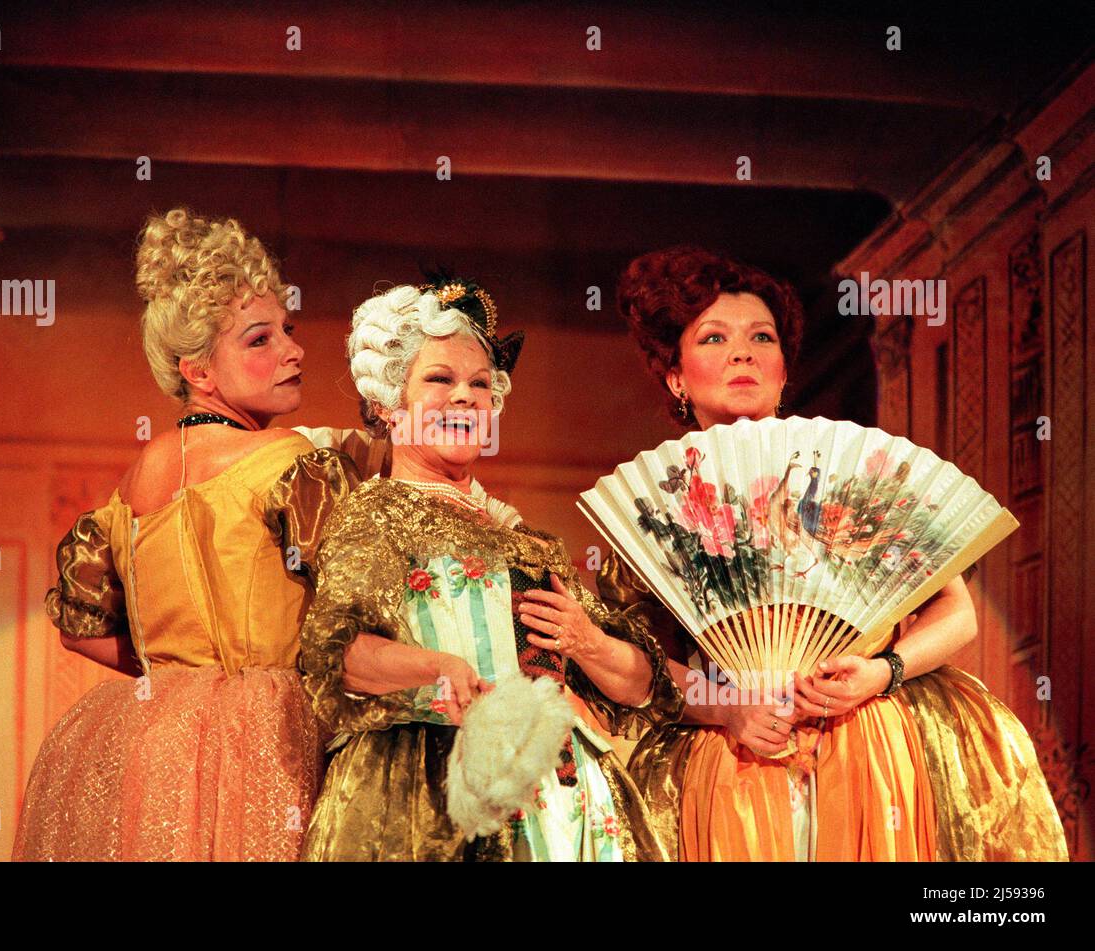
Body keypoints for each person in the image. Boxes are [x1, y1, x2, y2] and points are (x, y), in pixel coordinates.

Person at [597, 245, 1068, 861]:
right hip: (734, 752)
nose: (742, 351)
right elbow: (636, 663)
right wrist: (725, 709)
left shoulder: (853, 478)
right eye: (713, 337)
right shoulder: (652, 510)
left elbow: (958, 615)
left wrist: (882, 671)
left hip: (867, 740)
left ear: (785, 369)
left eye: (761, 337)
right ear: (676, 377)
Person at [13, 209, 383, 861]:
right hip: (266, 742)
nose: (293, 350)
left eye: (287, 331)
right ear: (199, 371)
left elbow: (80, 626)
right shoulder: (289, 459)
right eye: (260, 339)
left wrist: (180, 677)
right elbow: (358, 602)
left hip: (147, 743)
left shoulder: (135, 478)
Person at [297, 276, 682, 861]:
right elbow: (339, 657)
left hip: (568, 807)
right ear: (386, 401)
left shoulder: (529, 541)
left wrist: (588, 642)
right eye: (440, 379)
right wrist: (440, 668)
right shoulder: (377, 513)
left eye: (480, 383)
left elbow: (638, 687)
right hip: (433, 795)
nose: (465, 397)